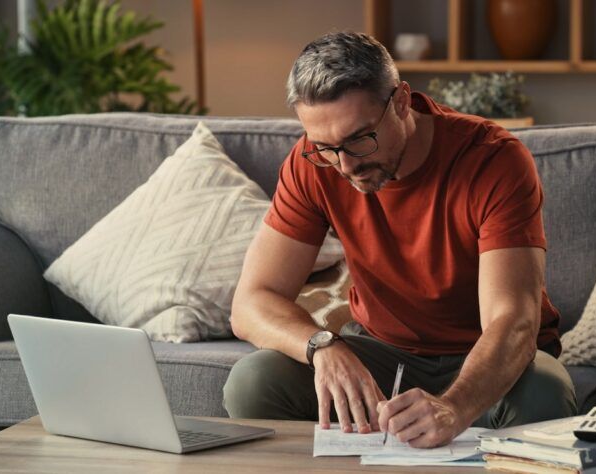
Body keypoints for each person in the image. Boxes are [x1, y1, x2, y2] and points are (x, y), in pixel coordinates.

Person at [223, 31, 576, 449]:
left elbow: (512, 321)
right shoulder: (312, 163)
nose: (346, 165)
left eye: (360, 139)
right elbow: (251, 302)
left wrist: (455, 407)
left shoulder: (493, 159)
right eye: (326, 148)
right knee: (253, 381)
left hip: (487, 358)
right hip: (381, 353)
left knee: (544, 395)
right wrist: (322, 346)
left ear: (402, 101)